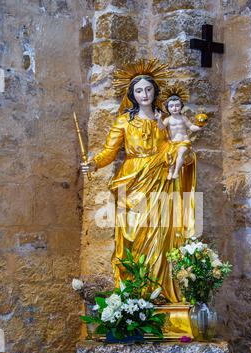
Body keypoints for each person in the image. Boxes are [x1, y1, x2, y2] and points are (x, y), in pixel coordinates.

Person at [81, 60, 196, 303]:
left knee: (160, 235)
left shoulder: (164, 120)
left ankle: (159, 291)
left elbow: (176, 143)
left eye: (148, 89)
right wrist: (93, 163)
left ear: (155, 92)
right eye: (139, 90)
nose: (144, 94)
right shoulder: (124, 121)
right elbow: (109, 152)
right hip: (132, 179)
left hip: (160, 179)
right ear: (132, 94)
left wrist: (182, 155)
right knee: (131, 236)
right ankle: (134, 294)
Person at [158, 93, 201, 180]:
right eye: (171, 106)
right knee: (170, 155)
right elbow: (161, 127)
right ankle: (170, 172)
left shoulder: (183, 118)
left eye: (177, 105)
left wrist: (199, 127)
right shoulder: (168, 119)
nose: (174, 108)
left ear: (181, 106)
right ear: (168, 108)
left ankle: (176, 172)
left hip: (184, 142)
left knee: (181, 152)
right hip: (173, 143)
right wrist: (159, 119)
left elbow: (191, 127)